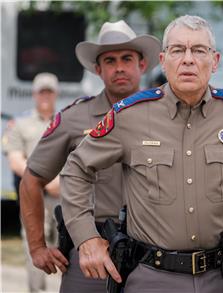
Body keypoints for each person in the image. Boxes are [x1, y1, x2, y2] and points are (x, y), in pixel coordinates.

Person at [60, 15, 223, 292]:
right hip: (151, 279)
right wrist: (86, 237)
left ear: (215, 61)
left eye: (198, 50)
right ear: (163, 59)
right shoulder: (130, 116)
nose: (188, 59)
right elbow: (76, 168)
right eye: (177, 50)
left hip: (221, 279)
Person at [19, 20, 161, 292]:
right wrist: (37, 247)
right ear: (98, 69)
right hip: (92, 251)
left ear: (142, 65)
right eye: (110, 60)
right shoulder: (74, 118)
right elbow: (31, 180)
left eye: (127, 58)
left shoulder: (166, 116)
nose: (119, 67)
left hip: (155, 253)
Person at [3, 72, 60, 293]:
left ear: (56, 94)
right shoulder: (19, 124)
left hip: (64, 195)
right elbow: (16, 160)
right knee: (36, 247)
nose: (45, 96)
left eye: (49, 91)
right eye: (41, 91)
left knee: (67, 248)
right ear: (34, 94)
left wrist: (62, 183)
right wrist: (46, 181)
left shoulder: (65, 120)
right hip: (34, 195)